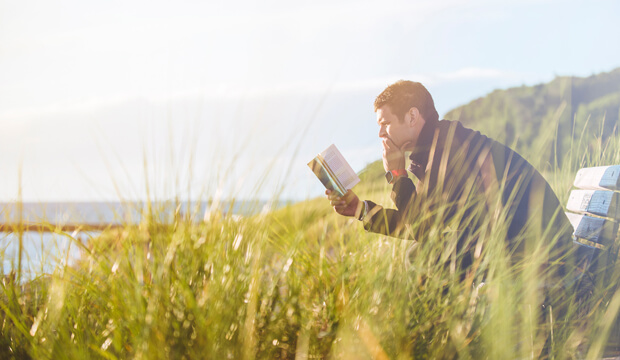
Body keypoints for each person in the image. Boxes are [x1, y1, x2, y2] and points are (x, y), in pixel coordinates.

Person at [325, 80, 593, 292]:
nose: (381, 134)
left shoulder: (449, 151)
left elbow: (422, 229)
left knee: (421, 257)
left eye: (385, 124)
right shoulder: (438, 146)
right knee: (424, 253)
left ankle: (453, 345)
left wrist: (397, 174)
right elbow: (423, 225)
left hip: (542, 257)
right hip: (523, 247)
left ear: (412, 116)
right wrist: (360, 209)